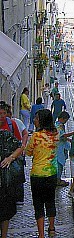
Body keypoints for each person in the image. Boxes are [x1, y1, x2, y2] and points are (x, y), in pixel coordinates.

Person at [26, 109, 59, 238]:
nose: (34, 120)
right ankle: (51, 228)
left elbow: (28, 152)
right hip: (52, 173)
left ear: (41, 120)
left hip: (37, 175)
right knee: (50, 201)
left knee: (38, 203)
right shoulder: (56, 134)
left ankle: (41, 235)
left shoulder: (36, 136)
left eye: (36, 118)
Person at [0, 102, 26, 238]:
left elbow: (20, 146)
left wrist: (11, 158)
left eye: (4, 113)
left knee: (6, 209)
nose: (2, 116)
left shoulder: (11, 125)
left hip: (7, 176)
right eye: (0, 114)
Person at [6, 105, 29, 204]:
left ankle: (19, 197)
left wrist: (23, 145)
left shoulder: (16, 122)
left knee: (18, 174)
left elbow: (25, 133)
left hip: (17, 153)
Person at [55, 111, 74, 186]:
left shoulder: (59, 125)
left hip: (60, 148)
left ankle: (58, 179)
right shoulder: (58, 126)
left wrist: (69, 140)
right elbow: (62, 136)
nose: (66, 122)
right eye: (66, 120)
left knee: (60, 164)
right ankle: (57, 180)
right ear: (62, 118)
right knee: (59, 164)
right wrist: (73, 133)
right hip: (59, 149)